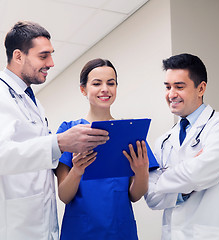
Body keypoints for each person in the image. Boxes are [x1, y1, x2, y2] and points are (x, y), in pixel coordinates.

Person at [0, 21, 109, 240]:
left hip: (39, 223)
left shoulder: (31, 101)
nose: (51, 63)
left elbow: (35, 158)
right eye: (43, 56)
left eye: (51, 55)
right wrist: (60, 143)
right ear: (18, 56)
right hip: (12, 228)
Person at [145, 53, 219, 239]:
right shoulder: (163, 141)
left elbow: (200, 173)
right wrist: (184, 187)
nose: (171, 94)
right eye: (167, 87)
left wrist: (162, 179)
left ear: (201, 89)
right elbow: (151, 197)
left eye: (179, 86)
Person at [55, 58, 157, 240]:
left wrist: (141, 173)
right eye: (96, 83)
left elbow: (135, 195)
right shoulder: (68, 131)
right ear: (83, 89)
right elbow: (64, 195)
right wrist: (77, 170)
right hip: (80, 231)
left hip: (120, 231)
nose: (105, 89)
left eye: (111, 83)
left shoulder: (129, 132)